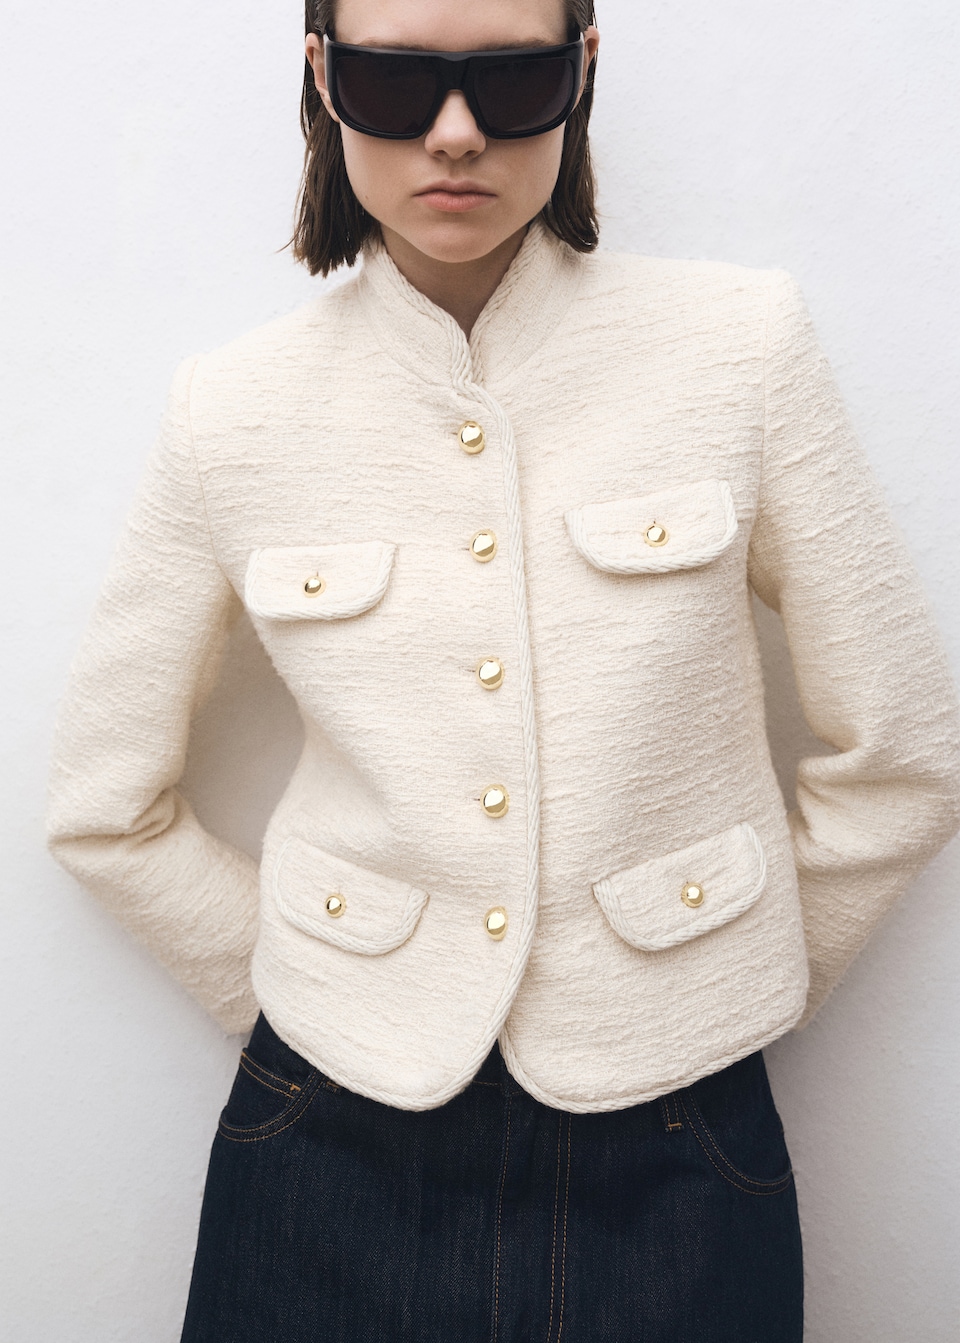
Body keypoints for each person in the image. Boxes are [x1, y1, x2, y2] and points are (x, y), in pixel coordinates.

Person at [45, 1, 960, 1339]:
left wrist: (726, 983)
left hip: (679, 1146)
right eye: (395, 81)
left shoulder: (741, 349)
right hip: (324, 1142)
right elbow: (101, 804)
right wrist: (321, 995)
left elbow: (904, 754)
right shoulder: (232, 411)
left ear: (581, 71)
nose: (457, 133)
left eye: (513, 77)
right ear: (322, 77)